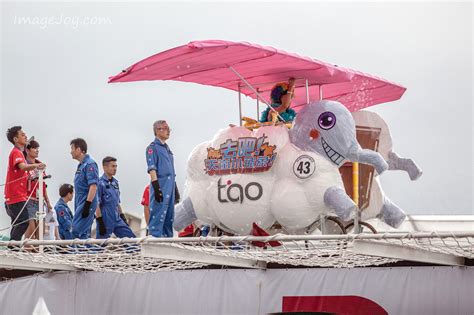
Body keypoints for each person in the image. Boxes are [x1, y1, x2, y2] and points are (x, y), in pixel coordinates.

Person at [4, 126, 45, 241]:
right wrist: (36, 166)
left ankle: (13, 247)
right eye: (22, 135)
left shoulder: (20, 153)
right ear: (15, 139)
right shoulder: (16, 153)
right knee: (23, 222)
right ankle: (13, 248)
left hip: (16, 196)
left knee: (18, 223)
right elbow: (22, 167)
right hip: (15, 196)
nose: (25, 136)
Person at [145, 120, 180, 237]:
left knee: (169, 217)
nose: (168, 131)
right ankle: (154, 241)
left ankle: (167, 242)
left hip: (170, 188)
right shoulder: (152, 148)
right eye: (165, 128)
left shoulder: (167, 150)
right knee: (158, 215)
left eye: (169, 128)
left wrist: (174, 188)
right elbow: (152, 168)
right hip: (160, 186)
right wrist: (156, 188)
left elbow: (171, 172)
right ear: (157, 130)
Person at [95, 156, 135, 239]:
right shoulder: (100, 183)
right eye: (113, 166)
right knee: (99, 246)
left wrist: (122, 216)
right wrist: (100, 221)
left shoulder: (115, 183)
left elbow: (117, 203)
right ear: (105, 167)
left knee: (132, 241)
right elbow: (96, 204)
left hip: (117, 219)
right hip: (105, 219)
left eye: (116, 166)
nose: (115, 168)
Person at [23, 139, 53, 239]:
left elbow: (43, 186)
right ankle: (26, 253)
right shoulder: (23, 165)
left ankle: (36, 253)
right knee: (30, 231)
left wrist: (48, 202)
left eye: (37, 148)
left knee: (40, 233)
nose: (37, 150)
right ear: (27, 150)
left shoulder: (40, 165)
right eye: (34, 148)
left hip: (40, 202)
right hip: (28, 201)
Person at [70, 138, 99, 239]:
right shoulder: (81, 166)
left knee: (77, 230)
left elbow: (93, 186)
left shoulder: (90, 164)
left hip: (86, 201)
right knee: (82, 232)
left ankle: (83, 253)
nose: (71, 152)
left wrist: (87, 204)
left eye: (72, 148)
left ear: (78, 150)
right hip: (80, 200)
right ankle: (84, 253)